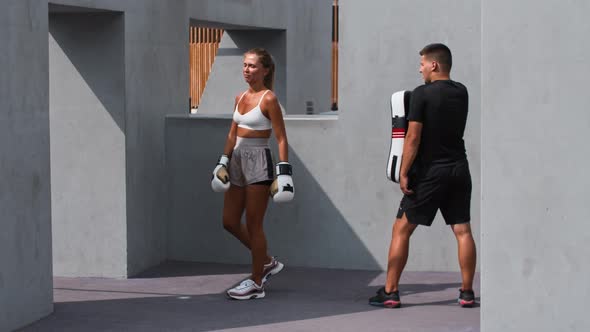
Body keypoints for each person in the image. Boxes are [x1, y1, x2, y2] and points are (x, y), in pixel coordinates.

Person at [369, 43, 477, 308]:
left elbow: (413, 137)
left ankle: (391, 291)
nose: (420, 70)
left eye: (422, 64)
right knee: (462, 230)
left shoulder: (422, 94)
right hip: (459, 169)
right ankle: (466, 292)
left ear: (434, 65)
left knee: (401, 229)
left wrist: (403, 171)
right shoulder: (462, 92)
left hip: (430, 173)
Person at [210, 48, 294, 300]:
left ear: (265, 70)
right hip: (236, 160)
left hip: (259, 161)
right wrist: (222, 162)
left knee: (254, 225)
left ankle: (257, 282)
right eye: (245, 65)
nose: (247, 70)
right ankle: (267, 261)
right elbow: (231, 134)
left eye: (253, 66)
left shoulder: (269, 99)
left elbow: (281, 138)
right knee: (229, 221)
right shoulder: (239, 97)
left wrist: (284, 172)